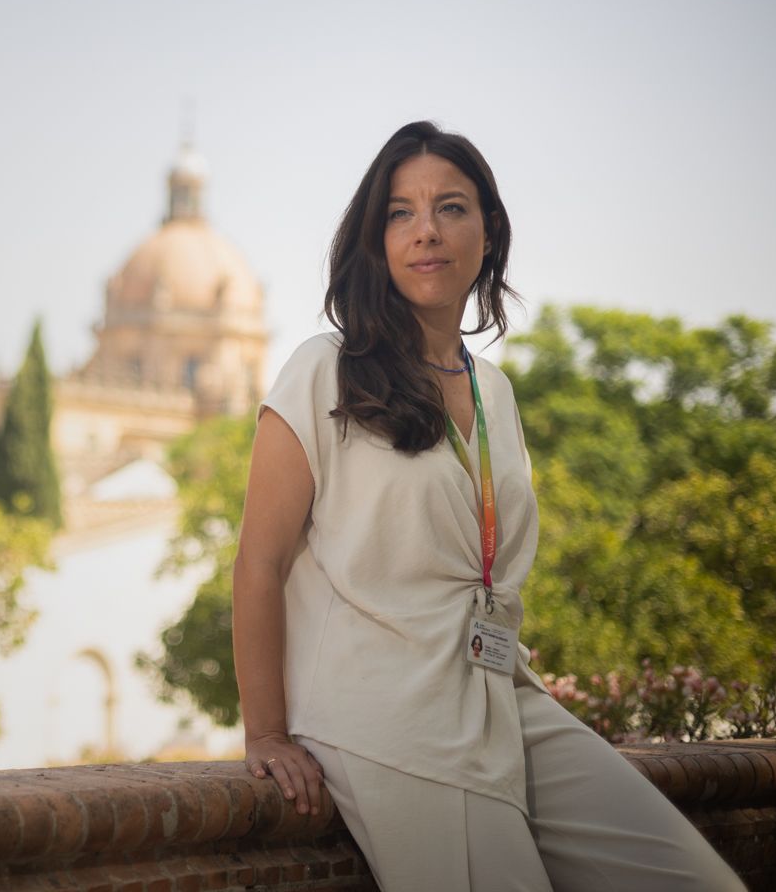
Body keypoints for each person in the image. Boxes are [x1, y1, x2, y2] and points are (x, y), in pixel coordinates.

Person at [232, 121, 745, 891]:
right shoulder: (324, 370)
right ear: (375, 240)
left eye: (450, 207)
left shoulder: (493, 390)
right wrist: (267, 732)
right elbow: (258, 562)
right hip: (388, 718)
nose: (426, 231)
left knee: (692, 879)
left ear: (490, 230)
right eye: (399, 213)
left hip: (500, 693)